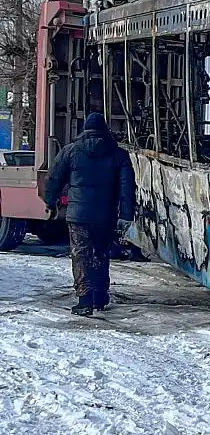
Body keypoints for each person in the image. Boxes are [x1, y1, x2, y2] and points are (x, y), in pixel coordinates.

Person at [44, 112, 135, 316]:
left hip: (78, 216)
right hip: (106, 216)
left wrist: (50, 202)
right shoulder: (119, 155)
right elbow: (127, 188)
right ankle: (100, 296)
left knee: (81, 255)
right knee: (101, 254)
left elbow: (53, 179)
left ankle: (85, 300)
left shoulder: (71, 151)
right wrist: (126, 215)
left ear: (85, 129)